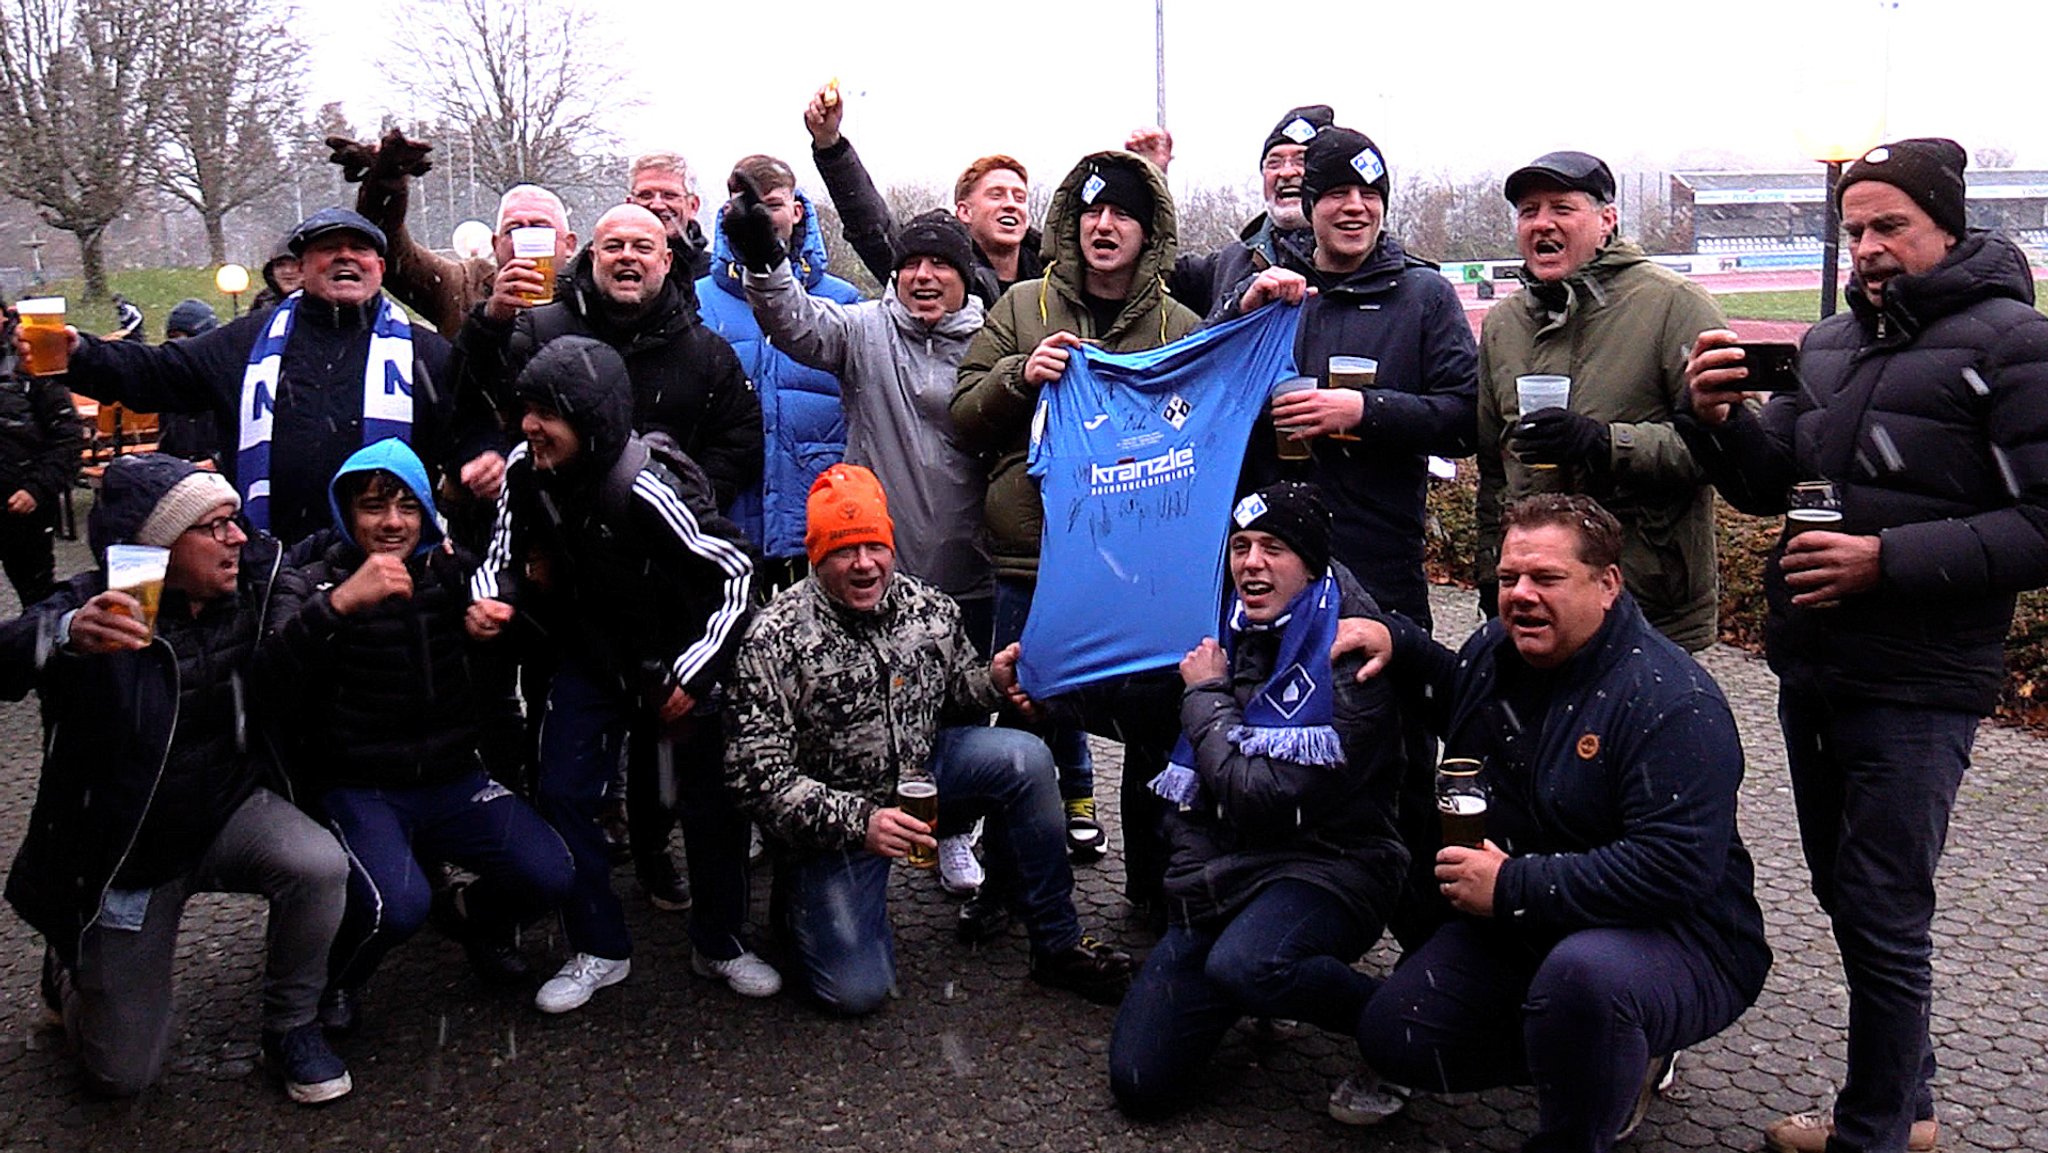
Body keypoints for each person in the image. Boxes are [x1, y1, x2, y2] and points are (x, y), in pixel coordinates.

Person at [1682, 137, 2048, 1153]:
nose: (1868, 247)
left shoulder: (2014, 343)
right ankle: (1910, 1106)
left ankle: (1872, 1131)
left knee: (1884, 911)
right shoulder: (1833, 345)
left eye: (1889, 225)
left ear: (1947, 225)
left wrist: (1880, 560)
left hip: (1920, 680)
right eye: (1852, 229)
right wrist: (1714, 418)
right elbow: (1768, 484)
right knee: (1848, 897)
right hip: (1816, 666)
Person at [1343, 494, 1771, 1148]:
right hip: (1537, 919)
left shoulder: (1672, 702)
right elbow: (1458, 694)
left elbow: (1674, 869)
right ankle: (1590, 1049)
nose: (1520, 594)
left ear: (1607, 583)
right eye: (1510, 576)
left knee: (1586, 981)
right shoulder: (1497, 647)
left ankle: (1604, 1080)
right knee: (1394, 1034)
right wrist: (1396, 641)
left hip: (1678, 937)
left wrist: (1512, 886)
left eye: (1546, 578)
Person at [1, 454, 352, 1103]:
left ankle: (291, 1024)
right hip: (130, 853)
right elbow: (9, 652)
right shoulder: (103, 601)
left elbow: (316, 548)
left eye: (234, 521)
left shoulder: (250, 579)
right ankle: (69, 970)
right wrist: (62, 633)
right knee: (122, 1074)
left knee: (320, 864)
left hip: (224, 810)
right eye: (214, 526)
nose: (237, 537)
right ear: (159, 543)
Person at [721, 463, 1132, 1015]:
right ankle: (800, 904)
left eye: (874, 546)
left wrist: (995, 682)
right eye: (844, 550)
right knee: (854, 992)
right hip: (839, 821)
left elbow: (959, 693)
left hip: (923, 779)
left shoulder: (928, 608)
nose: (864, 565)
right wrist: (860, 823)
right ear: (817, 556)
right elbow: (758, 778)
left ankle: (1057, 942)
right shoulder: (773, 637)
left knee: (1024, 759)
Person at [461, 202, 765, 912]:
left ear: (667, 260)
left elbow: (741, 438)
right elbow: (490, 409)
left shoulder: (703, 347)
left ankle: (659, 853)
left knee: (669, 749)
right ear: (587, 256)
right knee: (564, 736)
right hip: (567, 585)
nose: (628, 257)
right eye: (612, 245)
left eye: (644, 247)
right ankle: (577, 875)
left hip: (666, 577)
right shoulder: (542, 326)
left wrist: (675, 503)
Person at [469, 335, 776, 1013]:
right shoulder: (527, 469)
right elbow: (499, 549)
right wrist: (487, 598)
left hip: (677, 654)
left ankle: (720, 940)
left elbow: (734, 570)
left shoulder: (644, 487)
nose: (527, 426)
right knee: (564, 789)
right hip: (592, 653)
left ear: (589, 416)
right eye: (524, 409)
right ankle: (599, 945)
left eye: (545, 412)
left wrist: (691, 675)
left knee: (710, 803)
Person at [1104, 483, 1407, 1118]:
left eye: (1273, 547)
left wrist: (1206, 697)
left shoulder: (1350, 653)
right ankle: (1254, 977)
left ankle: (1400, 1025)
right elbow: (1144, 724)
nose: (1252, 563)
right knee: (1140, 1081)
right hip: (1230, 870)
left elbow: (1263, 798)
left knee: (1250, 964)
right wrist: (1036, 685)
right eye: (1241, 547)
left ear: (1312, 561)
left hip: (1330, 864)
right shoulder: (1230, 626)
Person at [263, 439, 575, 1033]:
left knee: (552, 872)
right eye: (374, 507)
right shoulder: (310, 580)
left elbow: (526, 629)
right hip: (360, 785)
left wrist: (501, 618)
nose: (392, 524)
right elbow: (269, 674)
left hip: (454, 778)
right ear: (346, 512)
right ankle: (331, 982)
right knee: (398, 906)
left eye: (407, 507)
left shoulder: (449, 568)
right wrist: (340, 605)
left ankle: (475, 917)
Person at [953, 150, 1199, 896]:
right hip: (1034, 562)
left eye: (1122, 211)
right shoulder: (1022, 305)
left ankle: (1151, 889)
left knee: (1154, 734)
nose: (1104, 224)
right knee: (1024, 724)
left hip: (1137, 572)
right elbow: (963, 413)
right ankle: (1009, 889)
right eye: (1091, 210)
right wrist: (1018, 375)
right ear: (1071, 221)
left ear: (1148, 229)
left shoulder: (1178, 323)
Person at [737, 208, 995, 894]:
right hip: (880, 572)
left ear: (965, 276)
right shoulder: (862, 332)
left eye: (941, 262)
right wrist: (766, 259)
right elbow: (795, 321)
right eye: (911, 262)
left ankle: (952, 831)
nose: (923, 274)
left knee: (964, 715)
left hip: (971, 570)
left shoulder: (992, 344)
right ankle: (848, 833)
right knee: (862, 715)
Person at [35, 208, 502, 548]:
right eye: (327, 249)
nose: (346, 258)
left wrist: (484, 456)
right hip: (273, 563)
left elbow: (469, 425)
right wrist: (81, 353)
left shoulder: (427, 353)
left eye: (360, 248)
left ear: (379, 267)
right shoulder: (242, 343)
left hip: (389, 565)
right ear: (299, 269)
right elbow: (154, 373)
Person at [1475, 150, 1726, 652]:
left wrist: (1606, 444)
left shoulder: (1674, 304)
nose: (1542, 223)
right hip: (1537, 610)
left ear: (1607, 220)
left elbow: (1725, 449)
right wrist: (1491, 573)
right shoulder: (1504, 324)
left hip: (1647, 603)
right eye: (1529, 211)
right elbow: (1493, 466)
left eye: (1561, 209)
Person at [701, 154, 863, 593]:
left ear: (796, 209)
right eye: (749, 204)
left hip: (815, 517)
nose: (762, 216)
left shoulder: (844, 302)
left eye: (773, 204)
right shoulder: (697, 302)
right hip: (725, 520)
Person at [802, 83, 1040, 305]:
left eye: (1019, 197)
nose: (1011, 204)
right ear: (964, 211)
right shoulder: (930, 269)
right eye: (996, 195)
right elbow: (873, 228)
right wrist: (830, 145)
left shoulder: (1056, 272)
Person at [328, 128, 582, 337]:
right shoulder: (464, 285)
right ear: (494, 243)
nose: (524, 241)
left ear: (569, 244)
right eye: (513, 229)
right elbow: (392, 254)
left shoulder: (592, 294)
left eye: (540, 228)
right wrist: (385, 184)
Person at [1146, 104, 1331, 319]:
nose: (1287, 172)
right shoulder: (1228, 266)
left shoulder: (1364, 263)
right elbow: (1147, 274)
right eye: (1274, 163)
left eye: (1302, 160)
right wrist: (1148, 178)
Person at [0, 295, 85, 608]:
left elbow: (68, 436)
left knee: (37, 598)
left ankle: (42, 652)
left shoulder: (31, 360)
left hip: (21, 507)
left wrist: (36, 489)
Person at [627, 151, 715, 282]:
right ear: (629, 204)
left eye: (669, 195)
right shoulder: (603, 270)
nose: (657, 205)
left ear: (693, 206)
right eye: (645, 195)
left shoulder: (714, 275)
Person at [157, 299, 222, 463]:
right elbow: (168, 443)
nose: (179, 346)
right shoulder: (171, 387)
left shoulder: (226, 383)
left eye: (185, 338)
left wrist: (216, 462)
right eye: (173, 338)